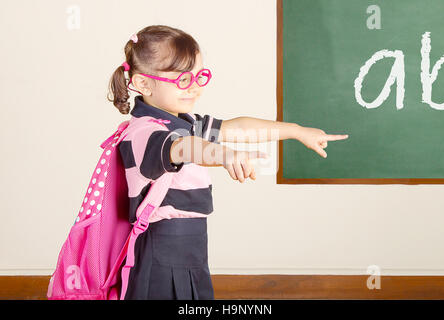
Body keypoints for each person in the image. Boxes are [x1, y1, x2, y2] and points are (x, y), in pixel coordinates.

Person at [107, 25, 348, 300]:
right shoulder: (144, 132)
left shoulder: (185, 122)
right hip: (161, 250)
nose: (195, 87)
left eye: (199, 76)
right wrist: (224, 155)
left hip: (191, 246)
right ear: (143, 84)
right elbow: (183, 148)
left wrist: (295, 130)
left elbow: (238, 128)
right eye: (182, 79)